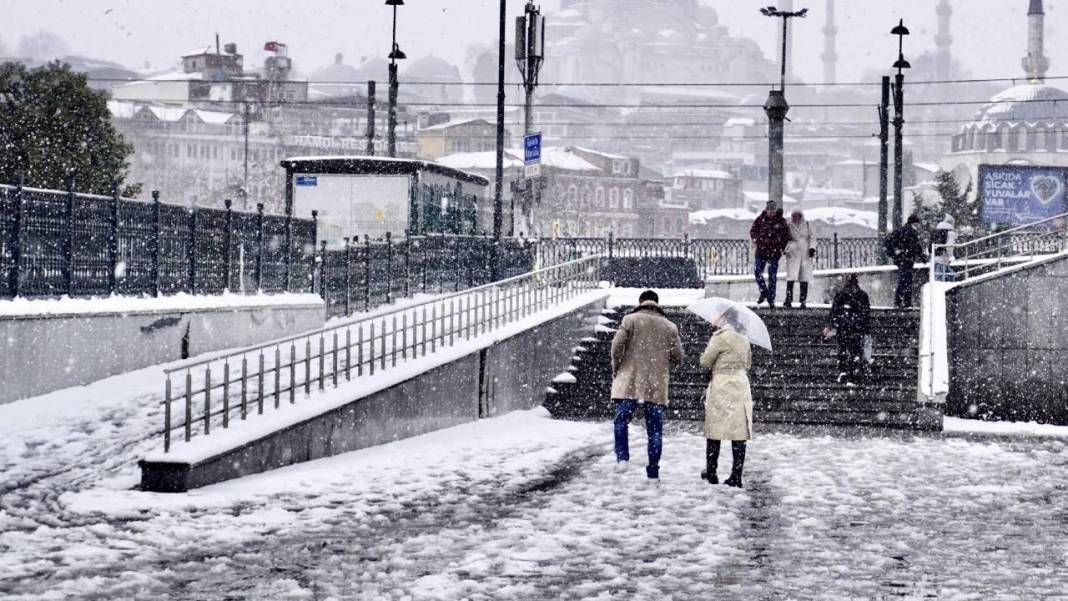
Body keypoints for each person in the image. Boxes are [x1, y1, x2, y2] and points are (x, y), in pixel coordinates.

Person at [610, 290, 684, 481]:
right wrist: (661, 360)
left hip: (630, 380)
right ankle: (653, 471)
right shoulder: (670, 326)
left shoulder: (630, 320)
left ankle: (623, 458)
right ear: (657, 304)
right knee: (655, 430)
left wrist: (617, 367)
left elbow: (616, 347)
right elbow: (678, 356)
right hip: (656, 384)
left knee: (621, 420)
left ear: (641, 302)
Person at [699, 307, 753, 488]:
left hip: (721, 384)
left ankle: (711, 472)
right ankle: (736, 476)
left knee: (715, 428)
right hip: (740, 384)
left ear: (724, 318)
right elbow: (748, 363)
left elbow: (705, 361)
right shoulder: (745, 337)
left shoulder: (719, 337)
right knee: (739, 431)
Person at [825, 274, 872, 384]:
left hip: (843, 327)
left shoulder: (841, 294)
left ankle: (843, 371)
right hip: (857, 328)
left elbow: (834, 311)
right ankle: (854, 373)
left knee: (843, 349)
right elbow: (865, 314)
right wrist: (865, 329)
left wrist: (831, 325)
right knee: (856, 351)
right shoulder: (862, 295)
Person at [750, 202, 791, 309]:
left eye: (773, 210)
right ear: (766, 210)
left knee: (772, 276)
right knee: (757, 271)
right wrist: (757, 239)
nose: (771, 212)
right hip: (761, 251)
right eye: (769, 210)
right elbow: (753, 230)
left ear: (776, 210)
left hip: (774, 252)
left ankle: (771, 299)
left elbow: (786, 236)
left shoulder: (781, 221)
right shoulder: (760, 219)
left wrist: (781, 247)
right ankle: (764, 292)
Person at [885, 214, 927, 308]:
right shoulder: (911, 231)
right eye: (918, 223)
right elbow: (916, 246)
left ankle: (901, 302)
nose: (919, 226)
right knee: (906, 281)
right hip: (906, 259)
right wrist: (923, 257)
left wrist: (897, 254)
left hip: (901, 260)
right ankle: (903, 302)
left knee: (904, 280)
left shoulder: (902, 229)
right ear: (914, 223)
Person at [784, 210, 817, 308]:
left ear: (801, 216)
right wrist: (785, 248)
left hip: (804, 252)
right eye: (794, 216)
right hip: (793, 252)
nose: (796, 218)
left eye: (798, 215)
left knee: (804, 277)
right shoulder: (788, 225)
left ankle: (803, 301)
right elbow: (784, 237)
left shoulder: (807, 225)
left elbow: (813, 237)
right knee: (791, 277)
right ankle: (788, 299)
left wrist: (812, 248)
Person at [932, 213, 958, 282]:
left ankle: (952, 287)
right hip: (943, 258)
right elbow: (949, 246)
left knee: (949, 275)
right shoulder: (950, 232)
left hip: (937, 257)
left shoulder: (939, 230)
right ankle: (952, 289)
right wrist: (951, 256)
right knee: (939, 279)